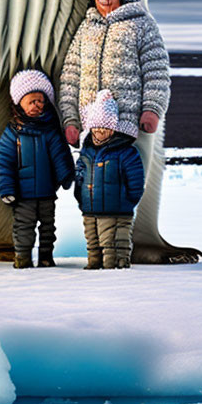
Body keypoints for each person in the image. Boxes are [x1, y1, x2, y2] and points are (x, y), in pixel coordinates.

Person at [59, 0, 170, 147]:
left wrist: (152, 109)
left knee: (120, 173)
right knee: (89, 175)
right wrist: (70, 120)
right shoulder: (86, 28)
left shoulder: (141, 25)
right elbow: (71, 76)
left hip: (124, 126)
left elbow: (156, 72)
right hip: (90, 126)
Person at [0, 70, 75, 269]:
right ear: (19, 102)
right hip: (23, 196)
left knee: (48, 228)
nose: (36, 105)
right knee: (23, 228)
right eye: (31, 101)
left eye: (40, 101)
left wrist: (66, 175)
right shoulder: (13, 133)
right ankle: (22, 258)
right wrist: (6, 189)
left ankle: (46, 257)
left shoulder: (50, 130)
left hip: (47, 192)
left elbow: (59, 154)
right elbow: (3, 162)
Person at [74, 90, 145, 269]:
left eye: (105, 126)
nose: (100, 131)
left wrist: (127, 201)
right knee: (92, 241)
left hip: (114, 208)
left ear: (113, 128)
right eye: (96, 126)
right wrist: (80, 195)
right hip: (90, 208)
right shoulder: (87, 151)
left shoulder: (126, 152)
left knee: (110, 244)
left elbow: (136, 181)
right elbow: (80, 175)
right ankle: (93, 266)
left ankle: (110, 275)